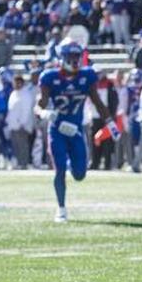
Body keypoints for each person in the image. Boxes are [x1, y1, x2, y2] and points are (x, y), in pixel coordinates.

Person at [34, 41, 120, 221]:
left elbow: (98, 103)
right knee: (59, 170)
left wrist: (111, 124)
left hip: (76, 131)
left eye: (77, 56)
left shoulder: (87, 76)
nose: (74, 60)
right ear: (61, 57)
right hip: (57, 130)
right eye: (70, 56)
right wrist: (43, 112)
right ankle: (61, 209)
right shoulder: (49, 77)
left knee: (80, 174)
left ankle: (69, 164)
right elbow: (39, 105)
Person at [5, 72, 37, 169]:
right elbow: (10, 109)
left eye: (16, 83)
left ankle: (24, 163)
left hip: (22, 125)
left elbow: (26, 110)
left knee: (23, 145)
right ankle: (18, 163)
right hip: (13, 125)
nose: (15, 85)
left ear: (21, 83)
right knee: (16, 146)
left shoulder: (26, 94)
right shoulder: (13, 94)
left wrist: (22, 123)